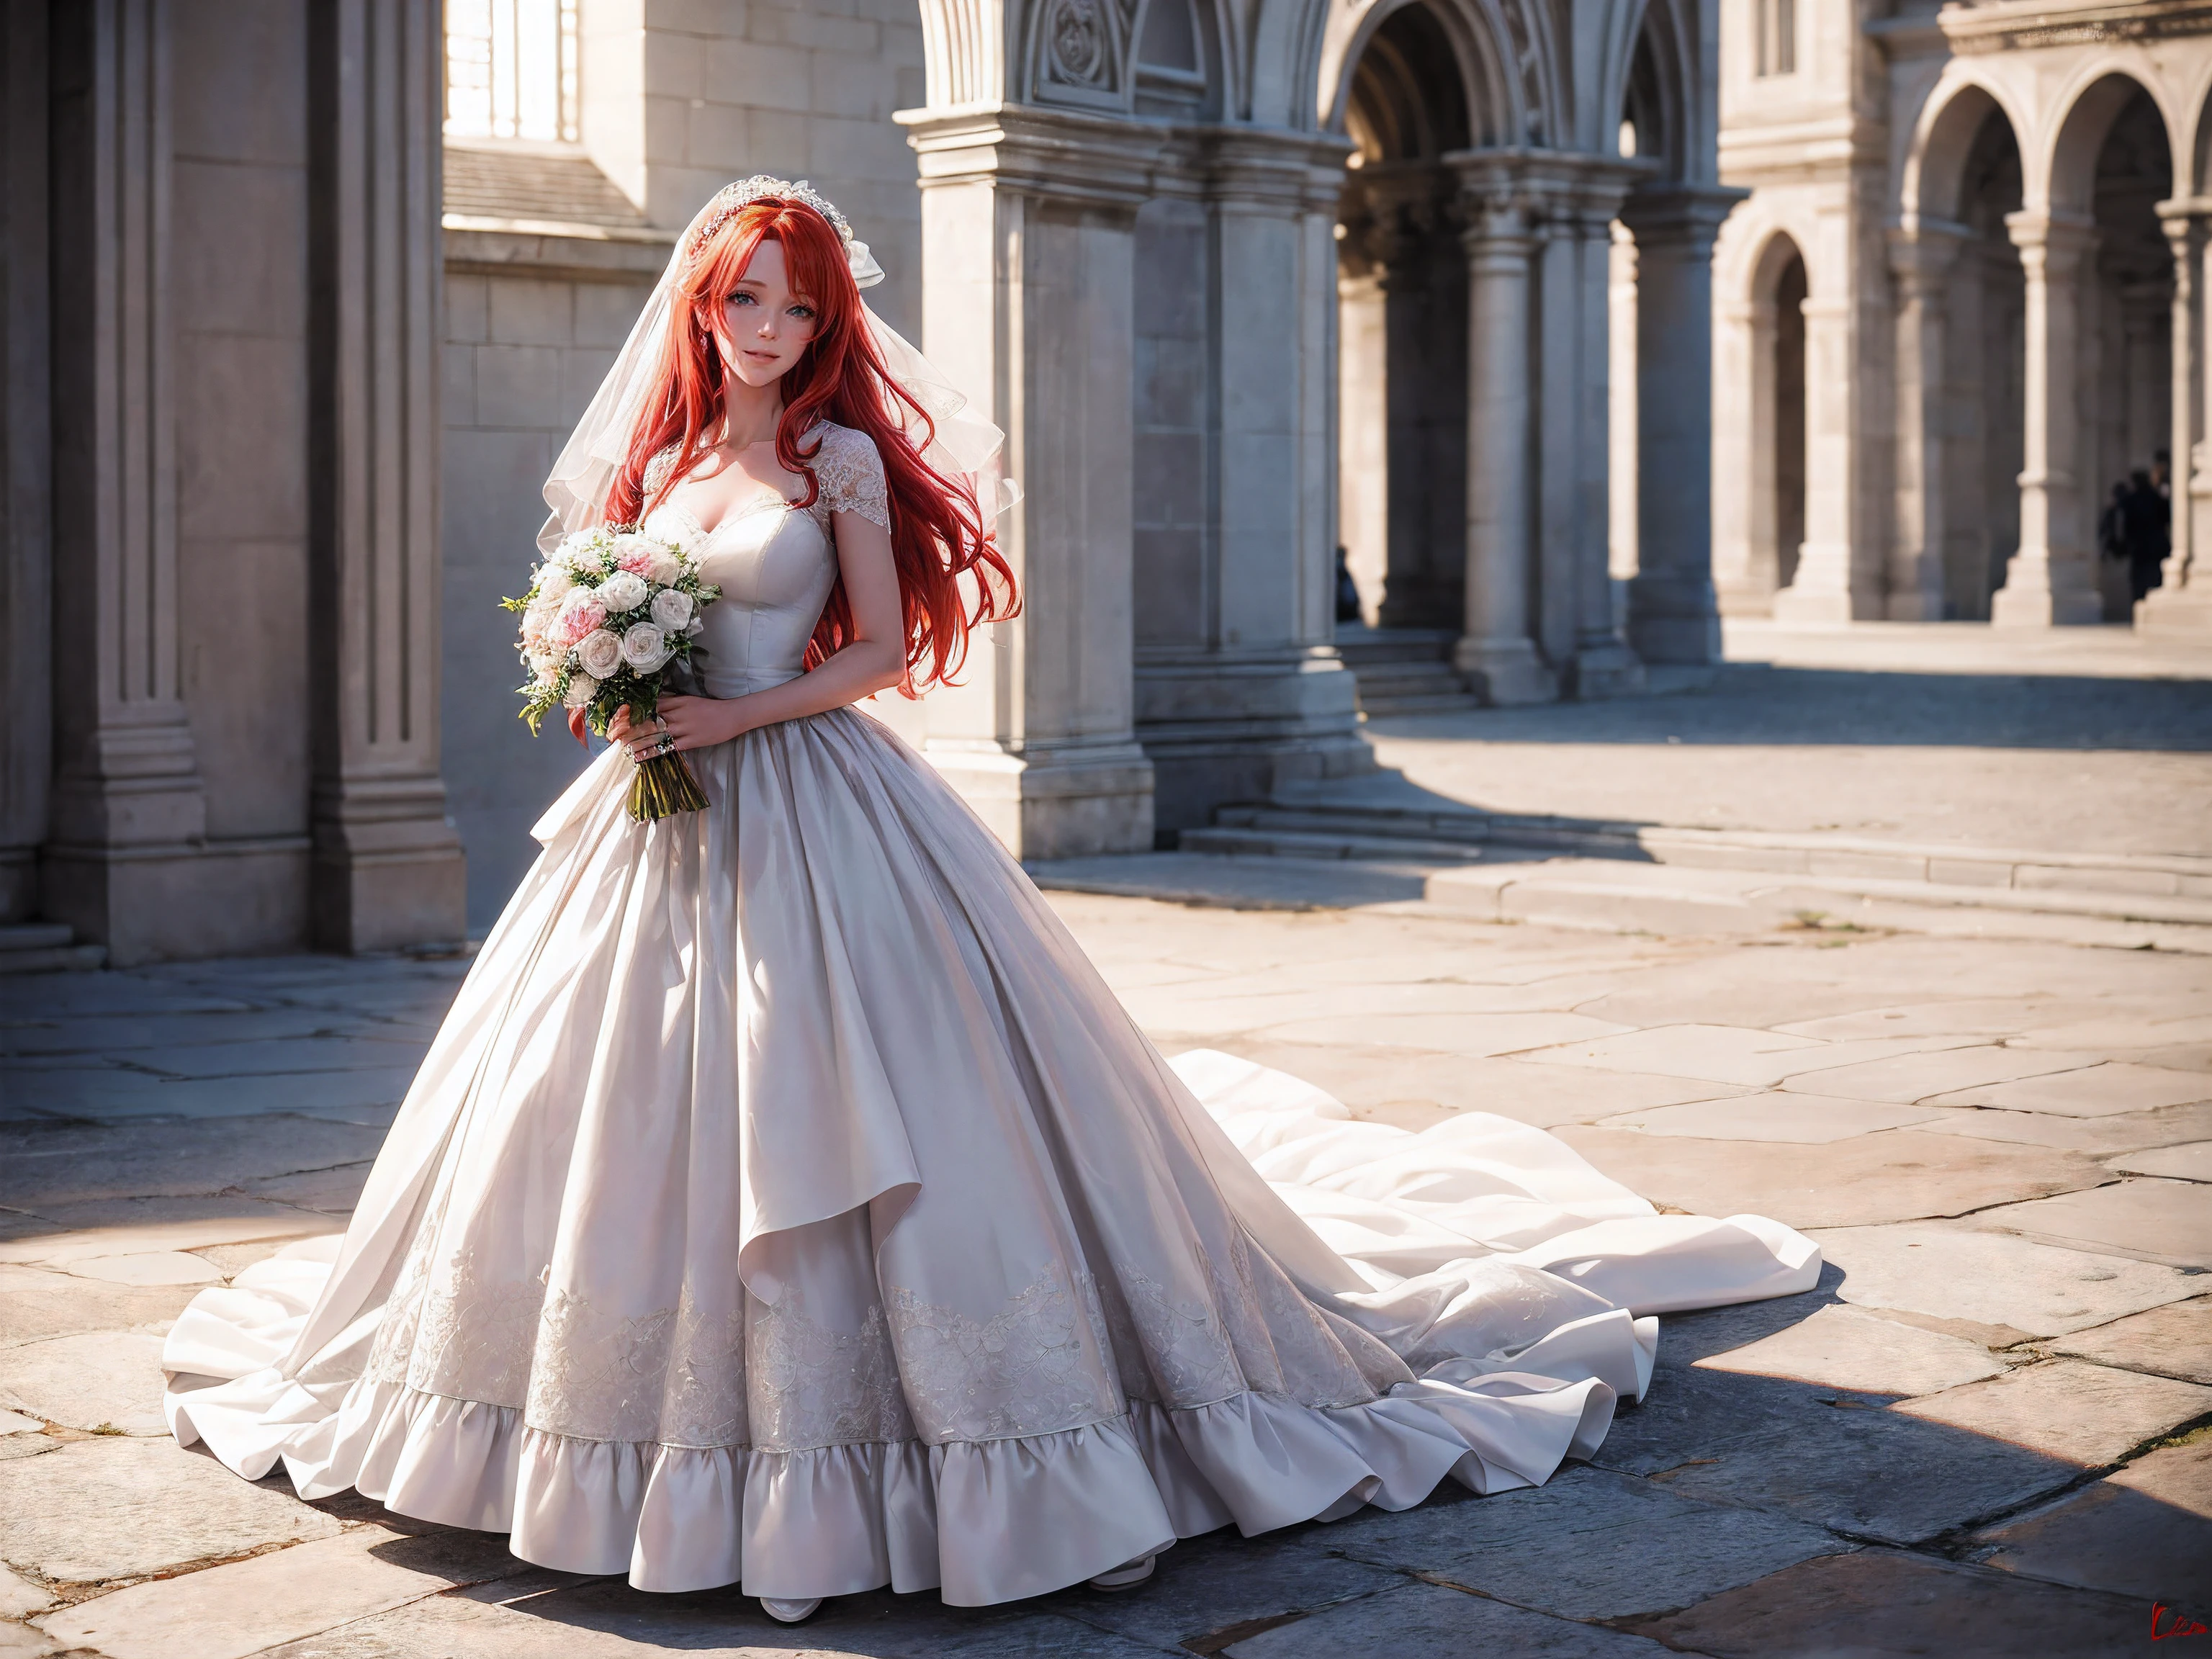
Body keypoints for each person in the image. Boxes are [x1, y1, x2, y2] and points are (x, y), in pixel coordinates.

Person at [160, 179, 1819, 1626]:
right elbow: (598, 619)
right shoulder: (664, 459)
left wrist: (731, 713)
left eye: (794, 302)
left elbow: (879, 653)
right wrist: (609, 690)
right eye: (742, 296)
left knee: (874, 1110)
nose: (764, 322)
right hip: (657, 825)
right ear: (702, 304)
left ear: (824, 322)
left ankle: (926, 1456)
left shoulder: (841, 467)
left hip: (811, 796)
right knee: (589, 1112)